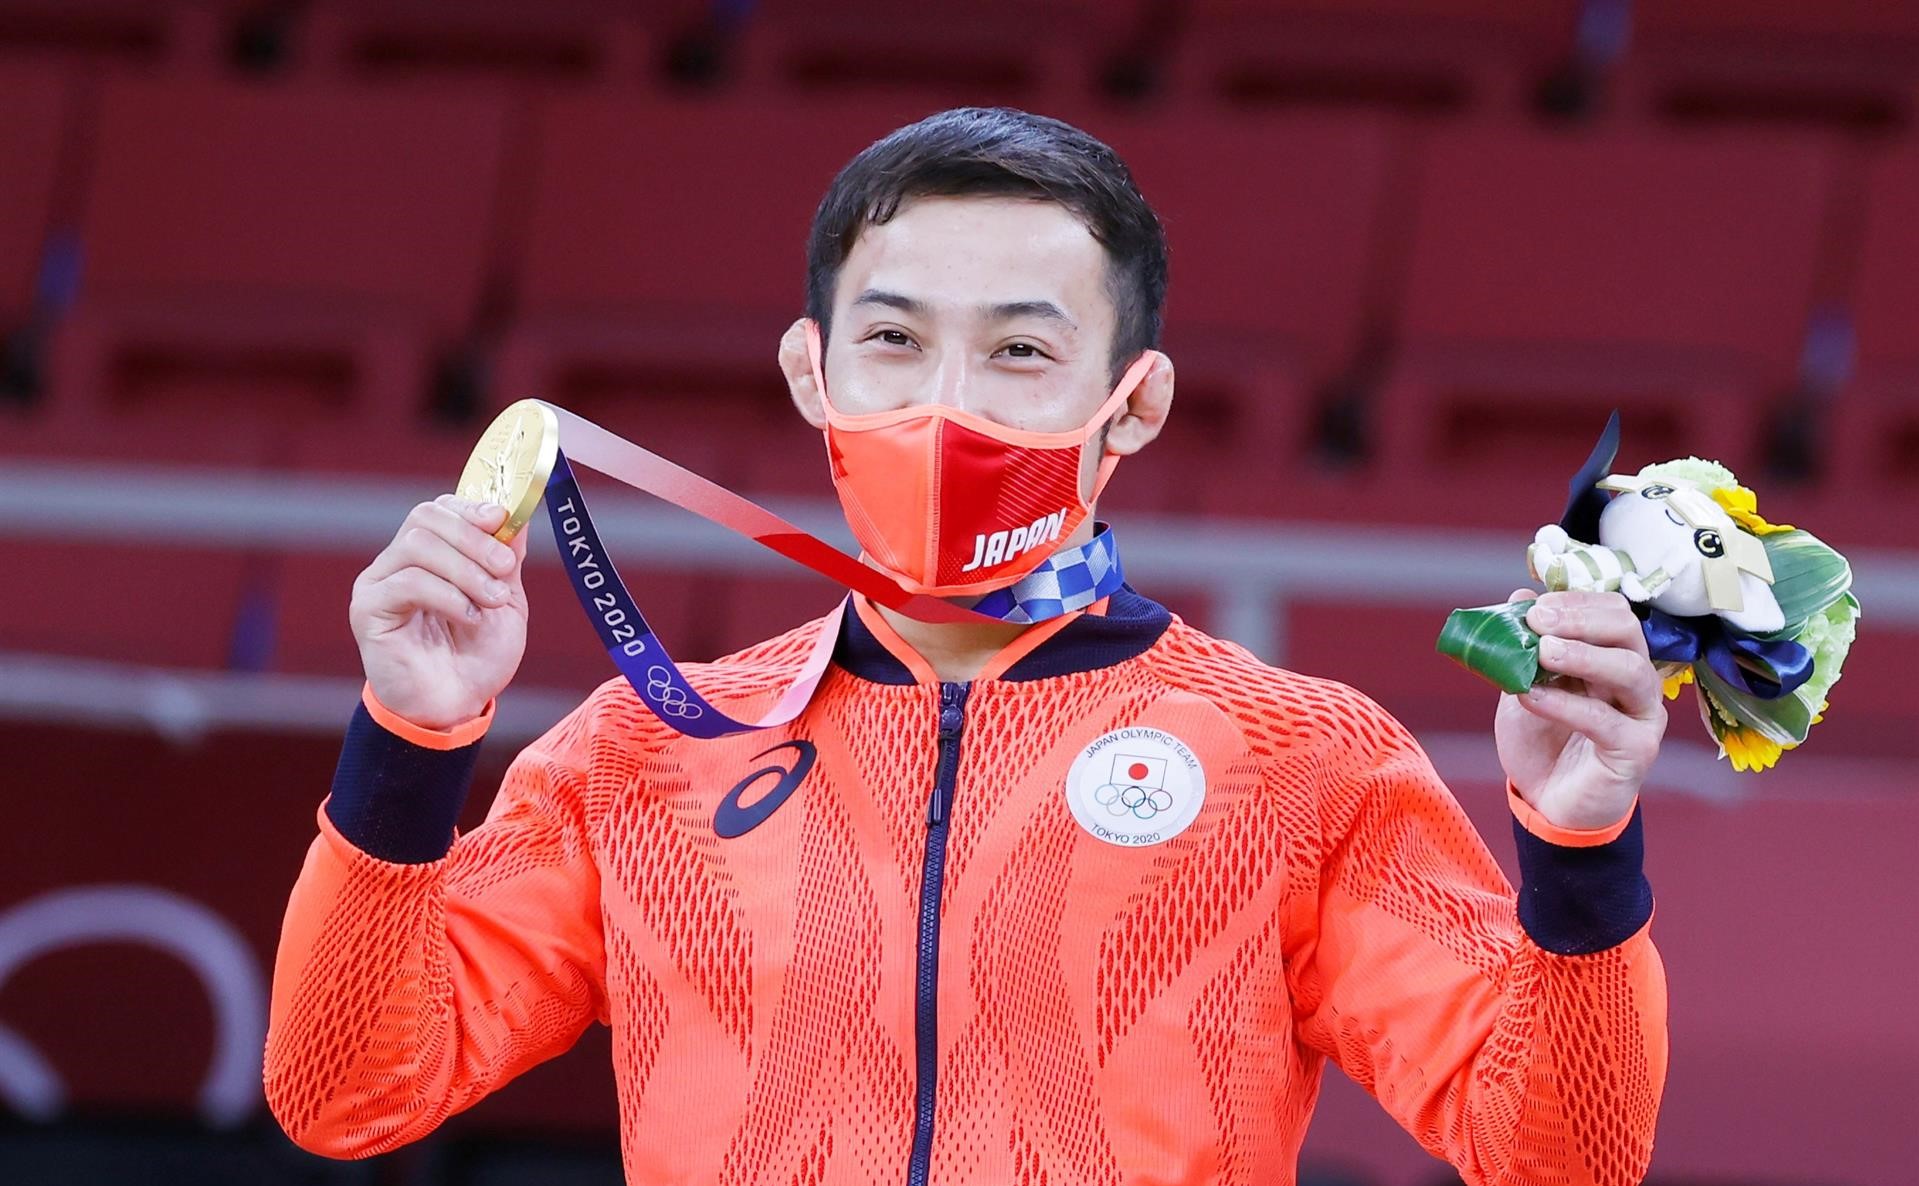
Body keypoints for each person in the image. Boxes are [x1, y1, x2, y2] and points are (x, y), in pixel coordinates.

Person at [265, 107, 1667, 1186]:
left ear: (1135, 403)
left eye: (1018, 354)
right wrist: (410, 741)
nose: (946, 411)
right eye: (894, 340)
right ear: (814, 372)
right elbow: (345, 1089)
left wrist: (1581, 850)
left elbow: (1564, 1153)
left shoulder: (1306, 761)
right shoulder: (640, 752)